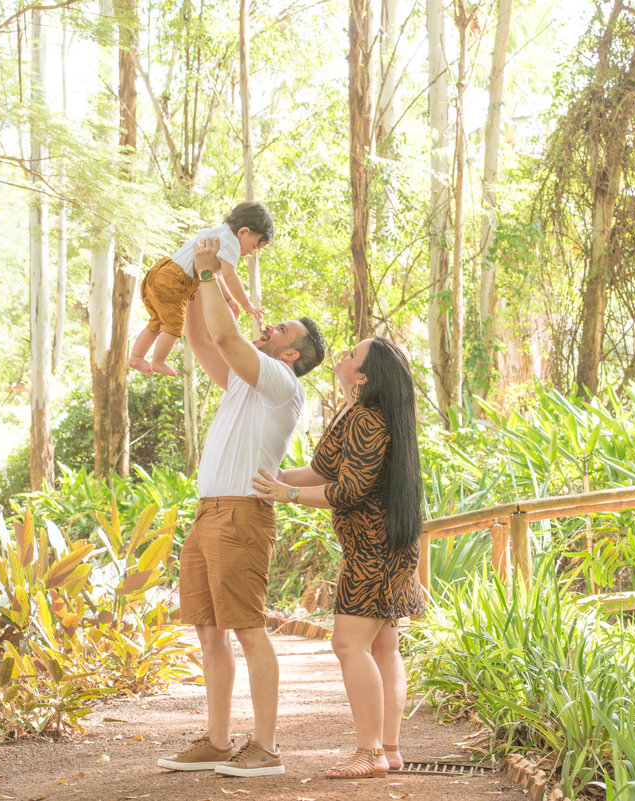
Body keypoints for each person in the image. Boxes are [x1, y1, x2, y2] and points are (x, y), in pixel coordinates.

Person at [156, 237, 326, 778]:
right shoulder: (242, 383)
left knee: (249, 628)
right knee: (209, 631)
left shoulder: (280, 383)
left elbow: (226, 336)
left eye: (281, 331)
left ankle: (266, 749)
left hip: (241, 515)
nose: (269, 327)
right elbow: (203, 340)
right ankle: (216, 740)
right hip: (208, 513)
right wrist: (190, 287)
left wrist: (210, 274)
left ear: (291, 355)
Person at [252, 337, 425, 780]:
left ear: (363, 376)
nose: (343, 356)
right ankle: (388, 749)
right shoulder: (356, 412)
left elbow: (349, 490)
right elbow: (325, 472)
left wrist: (289, 494)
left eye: (352, 355)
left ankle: (369, 752)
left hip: (374, 549)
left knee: (348, 644)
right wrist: (278, 478)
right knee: (383, 647)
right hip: (378, 545)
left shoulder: (368, 418)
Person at [128, 201, 272, 377]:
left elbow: (214, 274)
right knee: (174, 324)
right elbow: (230, 276)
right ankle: (158, 361)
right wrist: (246, 304)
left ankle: (136, 357)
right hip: (175, 281)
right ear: (243, 232)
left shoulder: (217, 233)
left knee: (157, 322)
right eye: (255, 246)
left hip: (159, 273)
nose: (250, 253)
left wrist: (228, 299)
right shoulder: (231, 243)